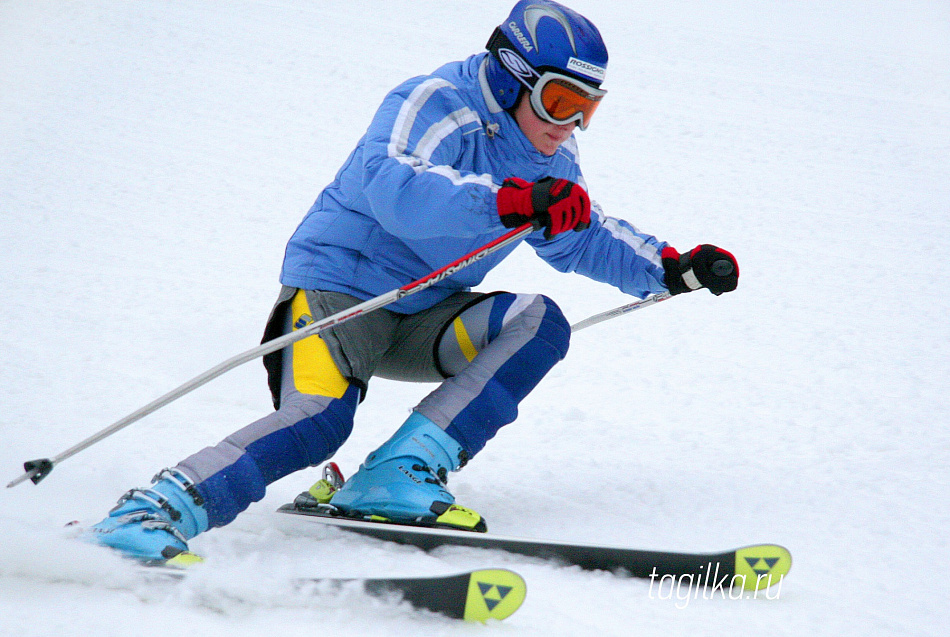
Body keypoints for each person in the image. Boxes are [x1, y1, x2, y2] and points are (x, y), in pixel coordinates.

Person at [88, 0, 738, 564]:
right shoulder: (432, 103)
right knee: (317, 421)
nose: (569, 125)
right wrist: (511, 202)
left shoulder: (552, 153)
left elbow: (582, 233)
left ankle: (395, 474)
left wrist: (669, 267)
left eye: (585, 109)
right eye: (560, 102)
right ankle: (152, 509)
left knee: (538, 321)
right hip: (336, 295)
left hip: (423, 318)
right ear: (514, 79)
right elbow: (399, 189)